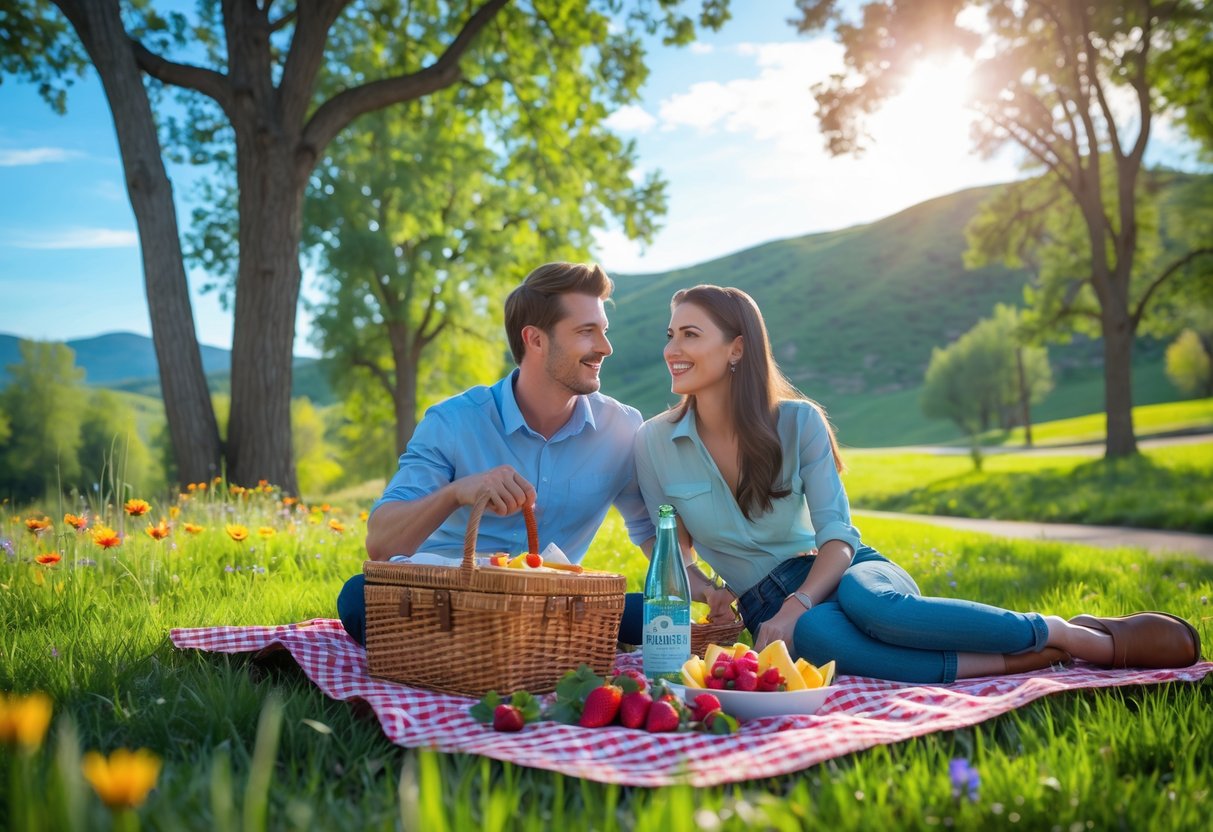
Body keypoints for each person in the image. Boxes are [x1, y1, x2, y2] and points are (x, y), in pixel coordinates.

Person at [633, 284, 1202, 683]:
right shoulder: (654, 441)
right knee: (827, 643)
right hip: (764, 602)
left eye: (690, 334)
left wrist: (799, 603)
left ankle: (1076, 637)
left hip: (841, 568)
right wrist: (705, 591)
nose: (672, 350)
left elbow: (838, 533)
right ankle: (1035, 657)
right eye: (670, 334)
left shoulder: (797, 422)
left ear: (736, 348)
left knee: (880, 611)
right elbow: (670, 548)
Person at [337, 262, 654, 645]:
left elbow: (650, 529)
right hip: (448, 600)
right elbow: (383, 544)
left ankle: (494, 644)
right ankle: (540, 644)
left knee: (657, 614)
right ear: (535, 340)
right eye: (587, 332)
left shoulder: (621, 428)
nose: (605, 347)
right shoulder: (453, 422)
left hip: (554, 603)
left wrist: (702, 586)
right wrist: (459, 491)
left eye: (603, 331)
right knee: (358, 597)